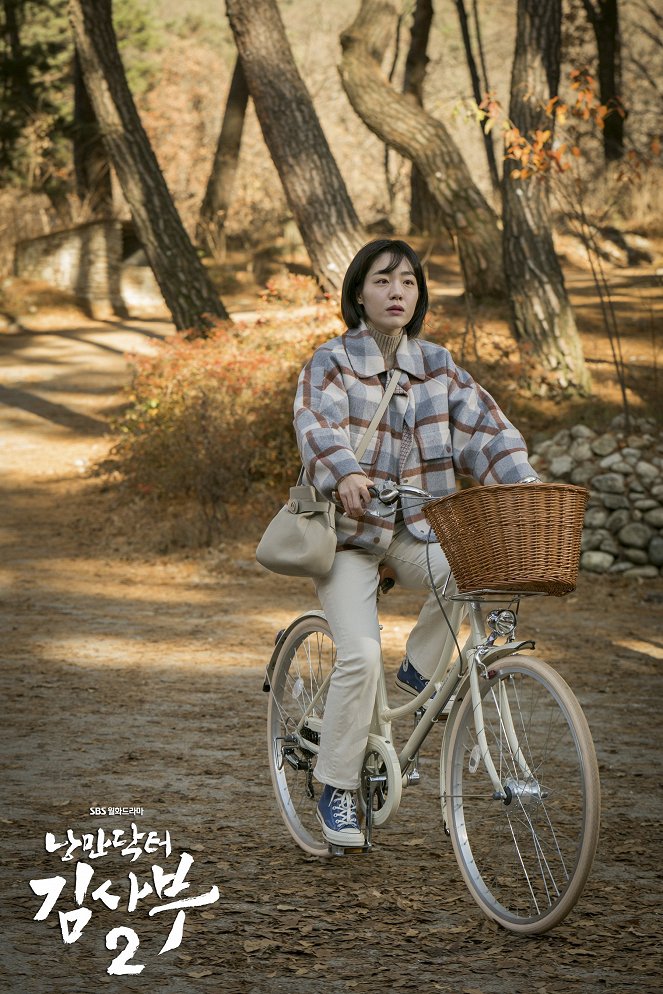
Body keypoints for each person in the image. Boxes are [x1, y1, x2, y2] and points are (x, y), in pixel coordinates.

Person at [294, 239, 539, 847]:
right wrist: (345, 471)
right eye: (382, 281)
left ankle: (417, 675)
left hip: (415, 528)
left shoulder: (437, 364)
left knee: (468, 570)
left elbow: (486, 430)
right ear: (358, 293)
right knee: (356, 655)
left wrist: (525, 484)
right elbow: (314, 422)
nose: (397, 291)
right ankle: (335, 788)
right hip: (346, 538)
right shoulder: (331, 361)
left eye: (407, 281)